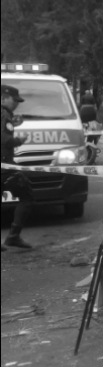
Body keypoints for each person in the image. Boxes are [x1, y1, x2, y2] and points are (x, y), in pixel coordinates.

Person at [1, 85, 34, 251]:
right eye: (14, 100)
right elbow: (4, 140)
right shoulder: (3, 114)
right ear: (3, 98)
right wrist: (20, 140)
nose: (16, 104)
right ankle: (13, 236)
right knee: (27, 195)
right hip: (5, 166)